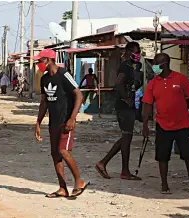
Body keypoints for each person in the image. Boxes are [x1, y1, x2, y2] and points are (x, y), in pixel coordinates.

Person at [142, 53, 189, 194]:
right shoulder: (153, 83)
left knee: (188, 154)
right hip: (162, 125)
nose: (155, 67)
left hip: (182, 125)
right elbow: (147, 104)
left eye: (157, 64)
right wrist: (145, 124)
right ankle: (164, 184)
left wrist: (180, 110)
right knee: (163, 156)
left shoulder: (180, 79)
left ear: (166, 63)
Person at [34, 49, 90, 198]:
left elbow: (79, 94)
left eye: (40, 60)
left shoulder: (64, 74)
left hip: (66, 121)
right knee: (55, 154)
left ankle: (79, 181)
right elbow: (44, 102)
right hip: (54, 122)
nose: (38, 64)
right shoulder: (44, 79)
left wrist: (72, 118)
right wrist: (38, 122)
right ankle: (62, 188)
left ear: (48, 60)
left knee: (63, 151)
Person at [95, 41, 143, 180]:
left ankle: (112, 166)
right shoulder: (125, 66)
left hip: (129, 105)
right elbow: (118, 83)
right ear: (128, 52)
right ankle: (111, 165)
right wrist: (126, 98)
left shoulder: (133, 67)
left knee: (126, 137)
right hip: (124, 106)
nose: (138, 54)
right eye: (135, 51)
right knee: (126, 137)